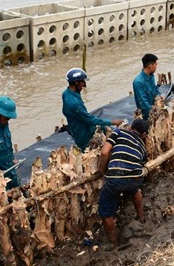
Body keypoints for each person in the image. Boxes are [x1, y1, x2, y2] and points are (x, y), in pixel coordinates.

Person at [98, 118, 149, 247]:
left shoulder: (119, 132)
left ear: (131, 127)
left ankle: (113, 243)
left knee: (106, 211)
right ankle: (141, 218)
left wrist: (103, 171)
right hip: (134, 179)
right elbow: (139, 164)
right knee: (135, 189)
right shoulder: (143, 147)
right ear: (144, 134)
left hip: (115, 179)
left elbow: (104, 152)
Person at [62, 68, 123, 152]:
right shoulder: (74, 104)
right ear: (76, 83)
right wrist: (111, 122)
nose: (84, 84)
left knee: (105, 129)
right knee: (91, 153)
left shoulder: (66, 93)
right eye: (82, 81)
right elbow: (89, 119)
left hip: (77, 125)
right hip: (83, 134)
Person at [132, 54, 161, 120]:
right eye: (155, 65)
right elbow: (143, 103)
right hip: (146, 115)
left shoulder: (151, 76)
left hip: (154, 108)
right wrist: (154, 111)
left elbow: (154, 90)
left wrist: (158, 97)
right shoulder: (138, 82)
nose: (156, 67)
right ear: (150, 66)